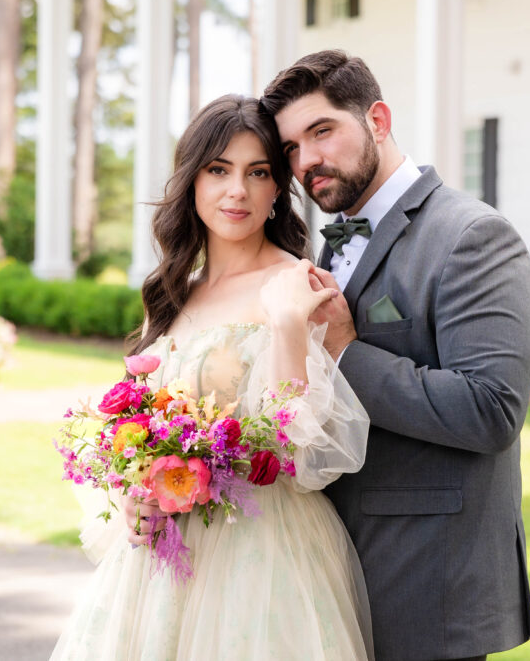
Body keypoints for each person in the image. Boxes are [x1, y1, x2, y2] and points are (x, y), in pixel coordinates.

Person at [50, 95, 374, 660]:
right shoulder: (172, 294)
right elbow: (138, 422)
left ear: (278, 190)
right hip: (162, 557)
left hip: (262, 550)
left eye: (258, 173)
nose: (237, 192)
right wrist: (134, 491)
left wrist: (290, 326)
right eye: (218, 170)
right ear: (192, 181)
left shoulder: (297, 283)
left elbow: (301, 454)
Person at [261, 50, 530, 661]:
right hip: (328, 573)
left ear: (379, 121)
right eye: (290, 149)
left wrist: (345, 350)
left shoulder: (471, 236)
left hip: (427, 587)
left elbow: (491, 410)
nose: (307, 160)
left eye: (322, 131)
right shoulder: (321, 250)